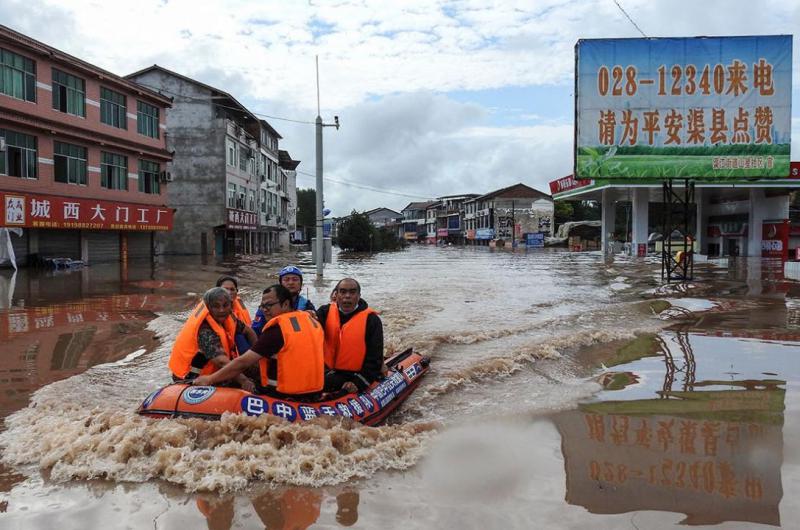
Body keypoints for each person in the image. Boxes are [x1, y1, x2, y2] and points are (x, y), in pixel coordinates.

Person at [193, 284, 324, 399]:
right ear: (209, 308)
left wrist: (209, 379)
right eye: (263, 306)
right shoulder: (310, 320)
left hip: (284, 395)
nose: (265, 310)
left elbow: (242, 362)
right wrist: (258, 350)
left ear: (285, 304)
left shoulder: (277, 330)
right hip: (314, 391)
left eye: (269, 305)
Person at [169, 287, 256, 392]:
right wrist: (244, 381)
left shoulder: (230, 317)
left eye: (225, 305)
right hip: (193, 379)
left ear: (231, 305)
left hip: (215, 372)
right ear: (208, 308)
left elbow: (249, 331)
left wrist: (258, 357)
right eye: (216, 306)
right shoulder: (204, 329)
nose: (221, 310)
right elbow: (221, 361)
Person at [317, 278, 384, 393]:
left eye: (352, 292)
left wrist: (358, 382)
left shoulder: (371, 320)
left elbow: (374, 358)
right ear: (336, 295)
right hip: (327, 371)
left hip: (354, 374)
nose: (347, 296)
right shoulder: (324, 312)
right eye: (342, 292)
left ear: (359, 296)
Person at [252, 265, 315, 335]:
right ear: (280, 284)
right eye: (286, 279)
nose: (291, 283)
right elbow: (256, 331)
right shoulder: (267, 305)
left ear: (301, 284)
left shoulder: (307, 305)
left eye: (295, 279)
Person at [216, 275, 253, 354]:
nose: (229, 292)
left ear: (237, 291)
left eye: (232, 289)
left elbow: (249, 331)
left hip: (241, 336)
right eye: (225, 289)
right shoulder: (215, 311)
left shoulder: (238, 303)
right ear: (217, 291)